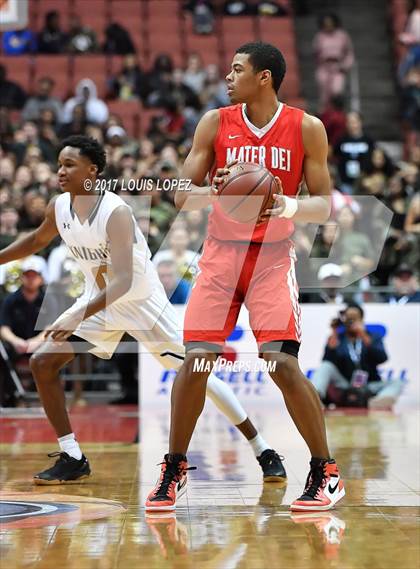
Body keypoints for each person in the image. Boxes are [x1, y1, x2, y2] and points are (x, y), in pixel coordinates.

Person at [0, 135, 285, 485]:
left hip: (141, 304)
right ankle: (73, 456)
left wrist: (76, 314)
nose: (61, 171)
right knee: (42, 362)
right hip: (99, 302)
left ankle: (262, 448)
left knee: (201, 377)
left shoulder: (116, 212)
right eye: (59, 164)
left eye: (69, 165)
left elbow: (122, 282)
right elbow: (36, 240)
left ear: (93, 171)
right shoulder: (59, 206)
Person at [146, 42, 345, 512]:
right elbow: (179, 195)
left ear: (265, 78)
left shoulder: (306, 128)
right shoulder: (215, 122)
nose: (227, 76)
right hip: (219, 255)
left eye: (237, 69)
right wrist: (209, 191)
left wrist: (287, 205)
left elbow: (324, 204)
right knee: (195, 363)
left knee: (280, 363)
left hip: (272, 256)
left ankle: (325, 472)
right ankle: (174, 466)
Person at [311, 303, 403, 410]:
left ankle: (379, 401)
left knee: (398, 382)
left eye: (355, 318)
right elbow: (327, 362)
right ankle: (315, 398)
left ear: (362, 319)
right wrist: (334, 332)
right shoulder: (338, 338)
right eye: (349, 318)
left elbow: (382, 358)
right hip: (344, 383)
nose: (351, 322)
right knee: (326, 366)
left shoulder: (372, 336)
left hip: (368, 384)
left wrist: (362, 334)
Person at [313, 13, 354, 110]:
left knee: (337, 91)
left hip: (338, 67)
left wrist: (345, 66)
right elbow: (316, 53)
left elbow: (349, 53)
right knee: (324, 94)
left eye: (330, 23)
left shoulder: (342, 36)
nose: (328, 26)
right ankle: (324, 117)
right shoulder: (319, 37)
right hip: (324, 67)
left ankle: (338, 115)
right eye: (326, 24)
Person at [334, 112, 375, 194]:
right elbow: (335, 155)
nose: (352, 125)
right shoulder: (342, 140)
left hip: (363, 180)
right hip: (345, 180)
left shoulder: (368, 140)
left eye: (354, 122)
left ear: (360, 122)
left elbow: (373, 156)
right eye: (349, 122)